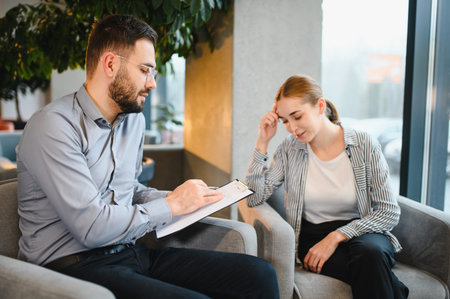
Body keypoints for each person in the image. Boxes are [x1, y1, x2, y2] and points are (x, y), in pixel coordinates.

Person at [16, 14, 279, 299]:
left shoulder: (132, 121)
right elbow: (91, 227)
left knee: (258, 275)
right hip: (72, 266)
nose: (152, 83)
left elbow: (128, 192)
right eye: (145, 70)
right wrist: (171, 206)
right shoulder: (54, 126)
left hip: (129, 252)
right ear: (110, 64)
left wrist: (188, 200)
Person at [245, 74, 409, 299]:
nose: (292, 128)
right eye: (284, 120)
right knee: (372, 269)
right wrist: (262, 142)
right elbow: (254, 198)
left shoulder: (364, 144)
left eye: (297, 116)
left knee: (370, 254)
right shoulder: (289, 149)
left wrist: (336, 237)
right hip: (311, 236)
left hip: (363, 232)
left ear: (320, 105)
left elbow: (389, 211)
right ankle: (397, 291)